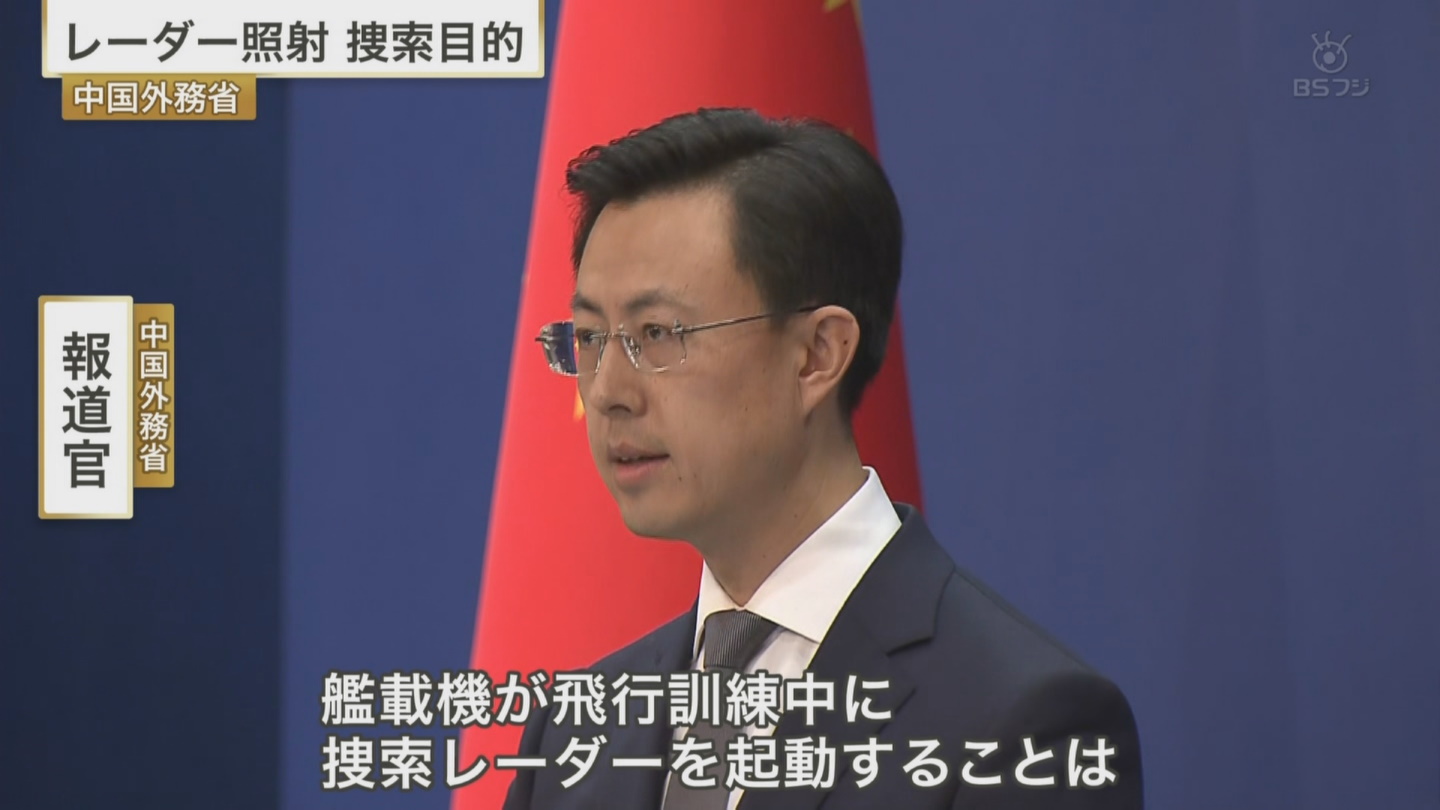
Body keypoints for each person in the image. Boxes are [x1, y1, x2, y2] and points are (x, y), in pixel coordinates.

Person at [506, 108, 1143, 810]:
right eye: (590, 338)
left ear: (817, 354)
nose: (606, 393)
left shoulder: (1021, 724)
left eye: (657, 334)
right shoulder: (573, 732)